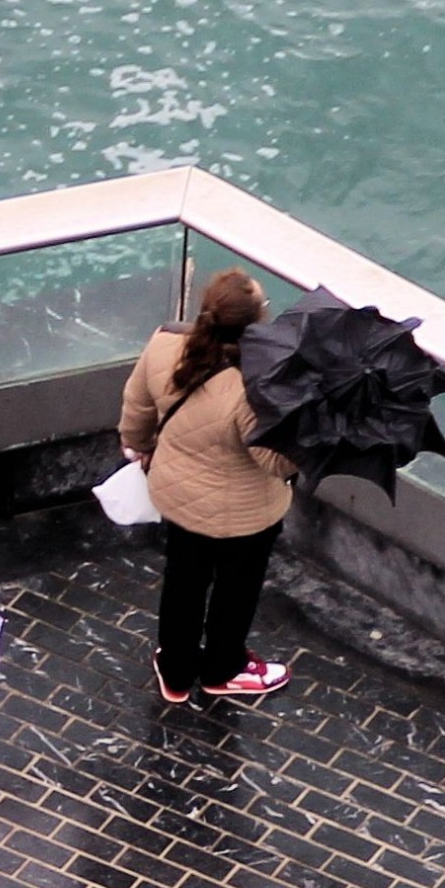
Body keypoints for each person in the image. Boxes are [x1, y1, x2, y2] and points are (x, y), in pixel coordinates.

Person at [123, 270, 299, 702]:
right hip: (246, 514)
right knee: (235, 590)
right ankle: (223, 668)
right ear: (256, 321)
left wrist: (139, 446)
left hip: (178, 498)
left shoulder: (165, 342)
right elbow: (273, 461)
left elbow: (138, 407)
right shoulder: (256, 385)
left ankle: (177, 671)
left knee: (184, 580)